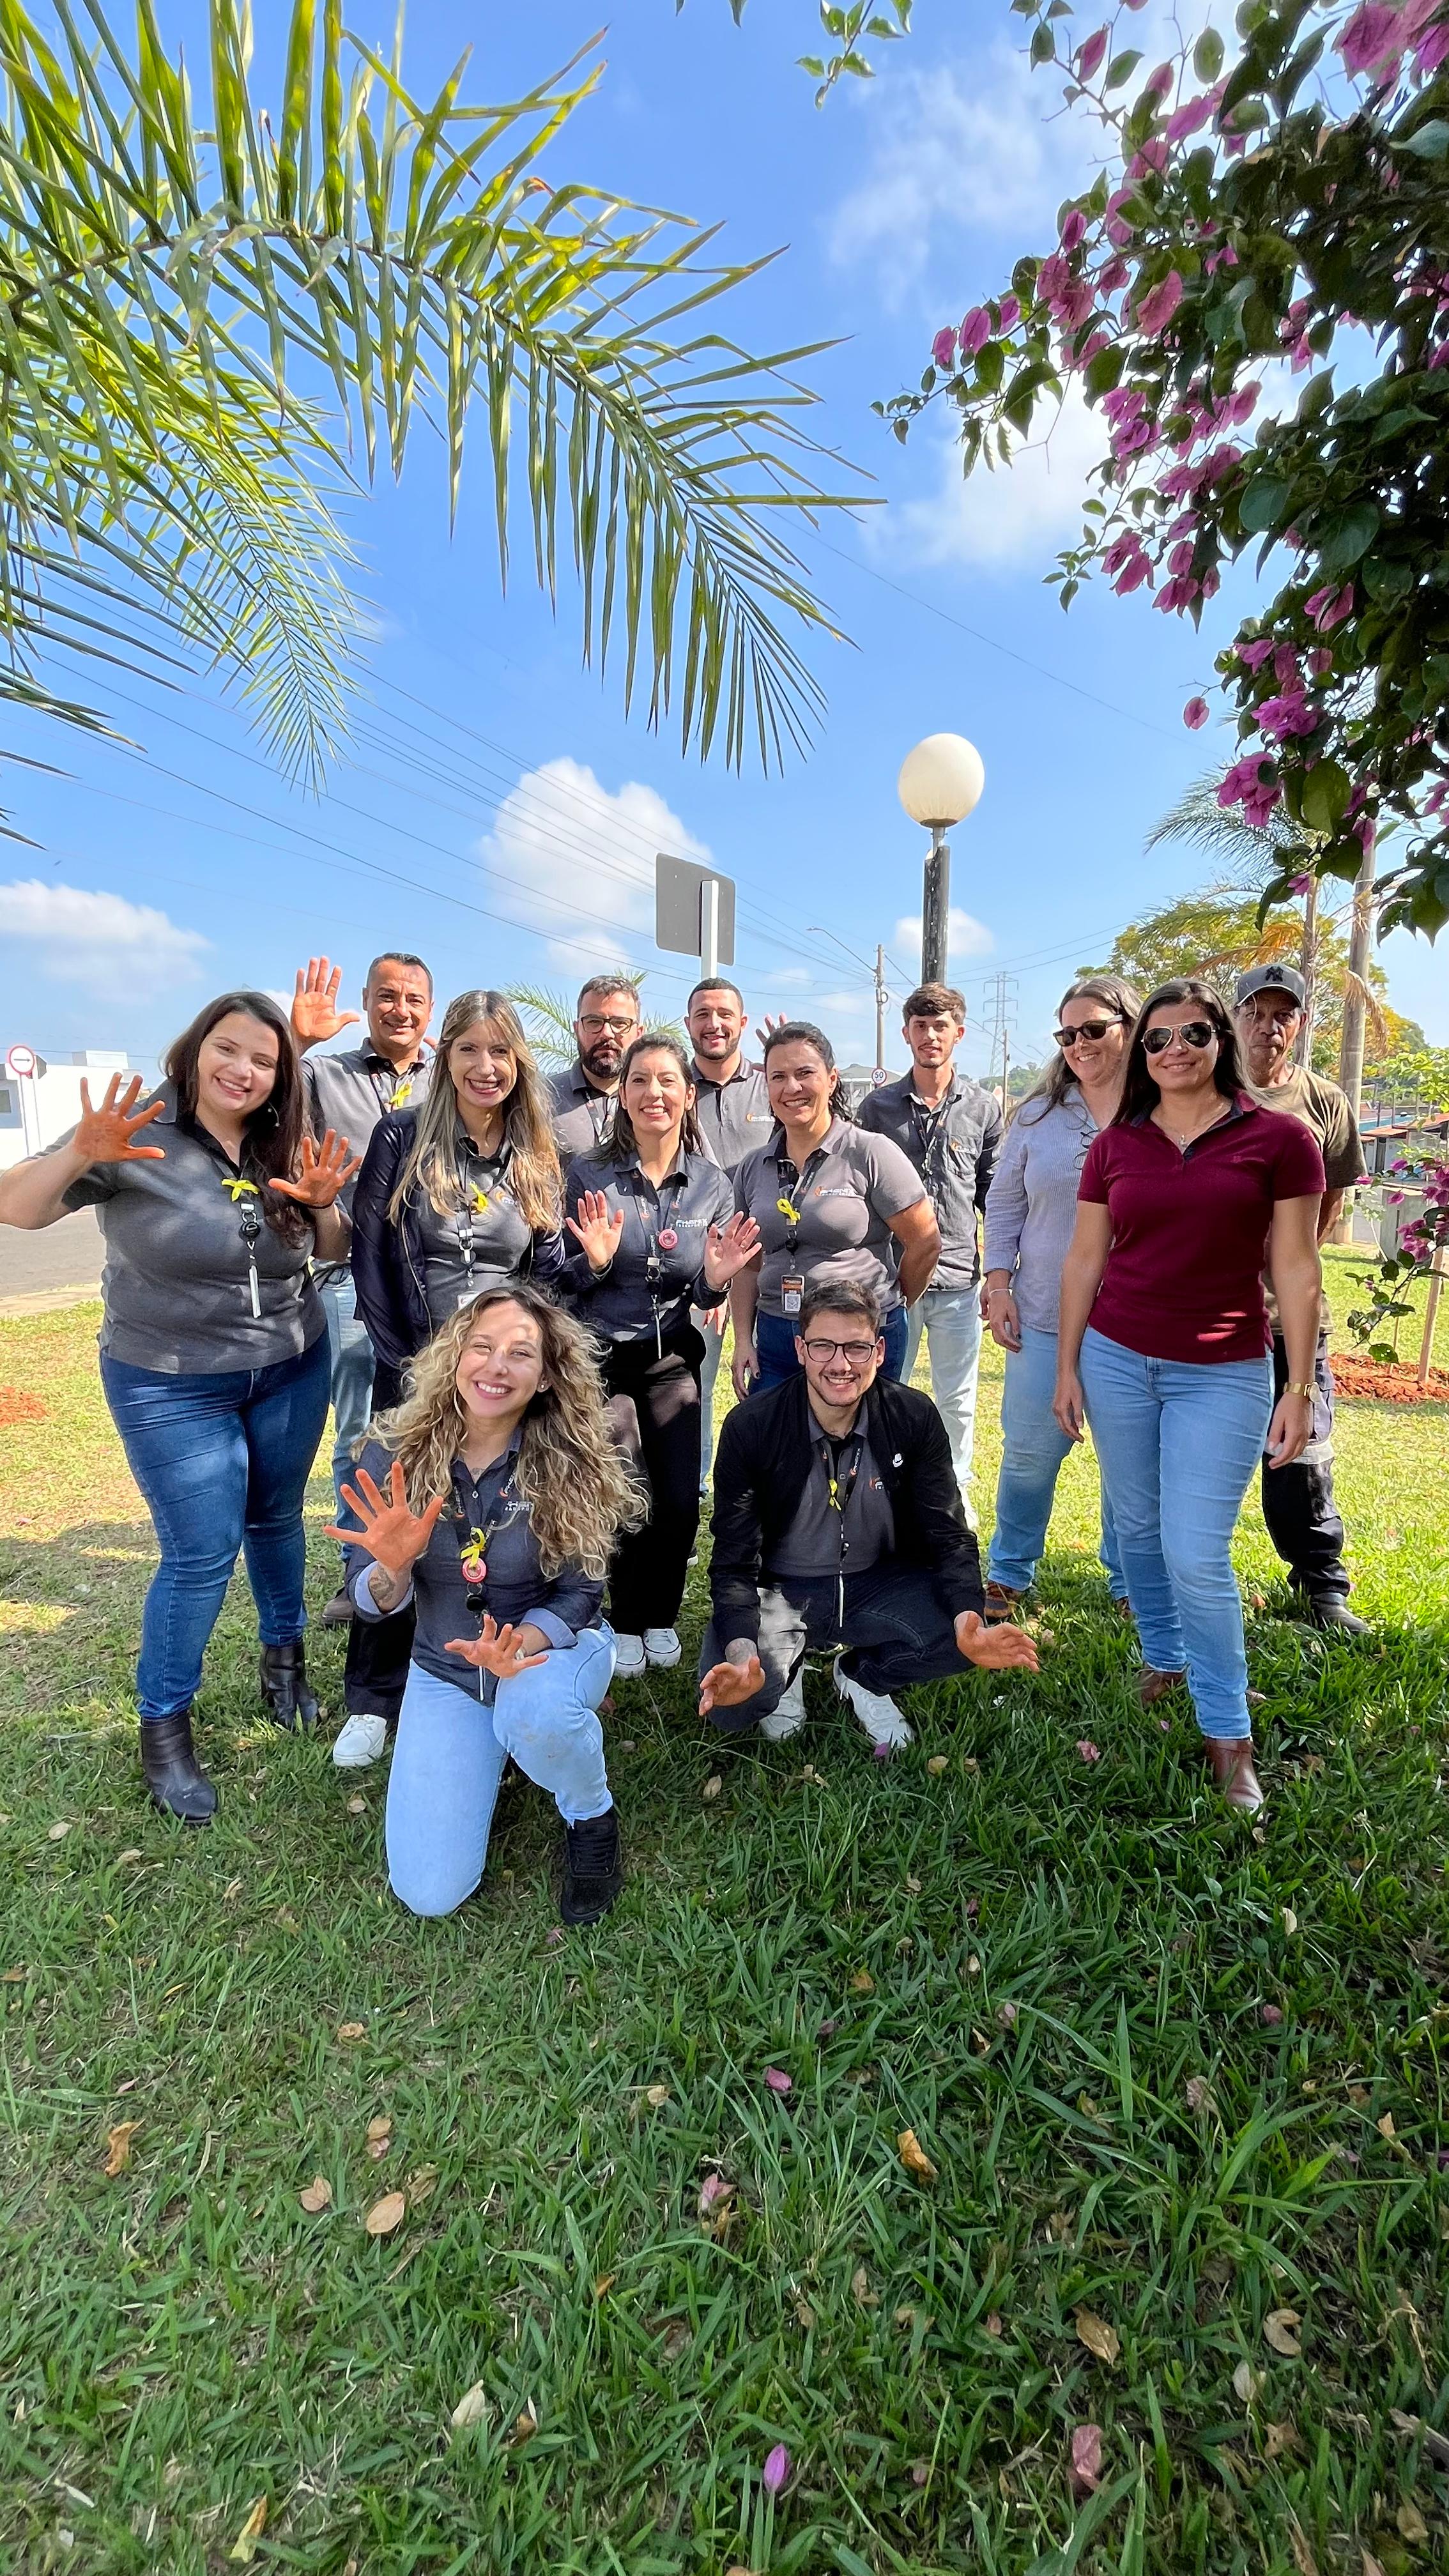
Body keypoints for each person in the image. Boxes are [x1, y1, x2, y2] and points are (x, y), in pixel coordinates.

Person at [0, 993, 358, 1823]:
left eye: (263, 1060)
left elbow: (332, 1250)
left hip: (289, 1366)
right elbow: (17, 1207)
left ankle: (285, 1667)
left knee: (275, 1520)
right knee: (200, 1551)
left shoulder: (283, 1140)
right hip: (168, 1378)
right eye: (226, 1050)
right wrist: (77, 1154)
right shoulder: (135, 1130)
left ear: (281, 1075)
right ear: (196, 1050)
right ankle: (165, 1731)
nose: (242, 1070)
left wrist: (323, 1206)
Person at [1054, 979, 1326, 1814]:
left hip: (1226, 1369)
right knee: (1135, 1529)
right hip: (1117, 1359)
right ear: (1143, 1054)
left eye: (1194, 1034)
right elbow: (1083, 1263)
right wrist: (1066, 1366)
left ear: (1222, 1042)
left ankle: (1227, 1733)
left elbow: (1297, 1268)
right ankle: (1166, 1656)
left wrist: (1301, 1383)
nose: (1175, 1050)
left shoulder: (1281, 1140)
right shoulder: (1116, 1146)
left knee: (1194, 1551)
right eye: (1160, 1038)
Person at [331, 1285, 642, 1925]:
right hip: (445, 1671)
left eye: (520, 1353)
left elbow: (582, 1593)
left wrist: (520, 1647)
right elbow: (370, 1597)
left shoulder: (574, 1453)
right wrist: (391, 1570)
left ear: (548, 1373)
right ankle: (497, 1749)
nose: (497, 1367)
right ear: (455, 1356)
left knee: (534, 1710)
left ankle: (590, 1814)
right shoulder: (398, 1450)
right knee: (430, 1892)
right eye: (483, 1347)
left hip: (548, 1656)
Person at [342, 991, 565, 1767]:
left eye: (500, 1051)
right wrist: (410, 1368)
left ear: (519, 1063)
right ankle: (374, 1697)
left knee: (480, 1524)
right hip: (415, 1365)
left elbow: (546, 1271)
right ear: (445, 1056)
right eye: (469, 1049)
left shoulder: (536, 1148)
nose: (485, 1066)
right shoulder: (401, 1136)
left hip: (499, 1378)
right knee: (393, 1528)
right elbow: (370, 1254)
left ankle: (496, 1664)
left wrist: (588, 1257)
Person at [698, 1282, 1039, 1749]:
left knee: (963, 1632)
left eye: (857, 1347)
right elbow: (733, 1561)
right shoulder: (752, 1427)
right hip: (781, 1589)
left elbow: (950, 1535)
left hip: (877, 1582)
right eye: (823, 1346)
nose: (840, 1365)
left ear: (879, 1351)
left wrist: (967, 1619)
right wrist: (741, 1656)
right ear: (800, 1350)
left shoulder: (912, 1416)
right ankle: (782, 1669)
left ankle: (864, 1676)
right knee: (733, 1704)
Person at [562, 1032, 761, 1676]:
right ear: (622, 1095)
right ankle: (623, 1618)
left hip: (672, 1358)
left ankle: (661, 1615)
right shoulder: (589, 1174)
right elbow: (558, 1277)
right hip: (603, 1360)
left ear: (689, 1094)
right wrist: (591, 1263)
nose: (654, 1093)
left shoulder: (710, 1184)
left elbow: (699, 1287)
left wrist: (718, 1278)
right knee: (627, 1488)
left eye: (666, 1081)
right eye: (640, 1081)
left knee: (678, 1500)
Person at [980, 977, 1140, 1620]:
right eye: (1067, 1033)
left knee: (1131, 1463)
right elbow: (1004, 1201)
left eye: (1094, 1029)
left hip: (1137, 1320)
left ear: (1132, 1028)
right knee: (1027, 1453)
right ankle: (1010, 1571)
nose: (1079, 1044)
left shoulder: (1162, 1111)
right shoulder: (1038, 1115)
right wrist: (998, 1283)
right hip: (1044, 1313)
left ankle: (1130, 1582)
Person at [291, 951, 434, 1629]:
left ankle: (433, 1554)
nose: (399, 1009)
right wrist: (297, 1042)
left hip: (434, 1282)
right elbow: (263, 1093)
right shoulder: (325, 1076)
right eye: (386, 996)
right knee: (361, 1432)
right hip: (351, 1278)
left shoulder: (451, 1081)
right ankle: (361, 1573)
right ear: (370, 1002)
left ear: (430, 1010)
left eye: (413, 999)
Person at [1234, 962, 1370, 1634]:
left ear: (1301, 1023)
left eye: (1282, 1014)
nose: (1268, 1027)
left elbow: (1331, 1202)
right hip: (1211, 1316)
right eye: (1255, 1012)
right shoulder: (1207, 1093)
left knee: (1303, 1449)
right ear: (1234, 1019)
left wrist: (1286, 1273)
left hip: (1291, 1318)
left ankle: (1322, 1585)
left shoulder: (1325, 1102)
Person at [856, 982, 1001, 1521]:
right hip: (894, 1281)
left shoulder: (983, 1108)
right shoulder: (877, 1108)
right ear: (906, 1035)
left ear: (958, 1034)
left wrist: (1002, 1272)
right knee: (887, 1388)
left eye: (941, 1026)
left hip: (960, 1278)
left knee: (957, 1400)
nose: (930, 1036)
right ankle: (884, 1486)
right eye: (920, 1026)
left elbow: (994, 1194)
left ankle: (953, 1493)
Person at [729, 1022, 939, 1395]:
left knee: (864, 1446)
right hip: (778, 1336)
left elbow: (925, 1241)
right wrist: (743, 1339)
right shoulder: (753, 1166)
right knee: (779, 1448)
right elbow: (747, 1265)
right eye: (778, 1077)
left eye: (805, 1073)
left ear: (831, 1079)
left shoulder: (870, 1152)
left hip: (857, 1341)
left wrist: (889, 1300)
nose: (791, 1088)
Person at [684, 976, 774, 1490]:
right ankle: (695, 1481)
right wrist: (709, 1274)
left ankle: (760, 1482)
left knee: (767, 1377)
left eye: (724, 1014)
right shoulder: (673, 1086)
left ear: (742, 1023)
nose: (713, 1024)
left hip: (772, 1264)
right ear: (688, 1023)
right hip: (702, 1267)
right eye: (702, 1014)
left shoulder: (771, 1085)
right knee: (696, 1383)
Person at [547, 975, 642, 1154]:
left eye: (620, 1023)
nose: (607, 1034)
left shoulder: (655, 1099)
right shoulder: (542, 1097)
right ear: (577, 1029)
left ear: (639, 1033)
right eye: (594, 1022)